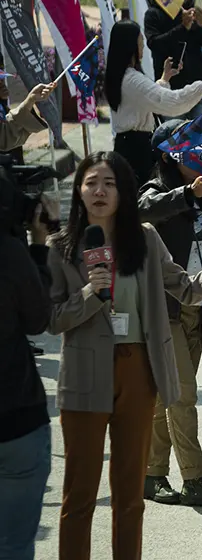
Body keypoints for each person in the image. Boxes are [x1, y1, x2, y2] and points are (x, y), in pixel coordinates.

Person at [48, 152, 202, 560]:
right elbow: (52, 319)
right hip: (84, 374)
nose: (99, 191)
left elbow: (190, 289)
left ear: (124, 193)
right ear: (79, 191)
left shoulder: (147, 238)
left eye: (110, 184)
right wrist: (89, 293)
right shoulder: (61, 247)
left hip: (137, 371)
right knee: (79, 495)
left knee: (130, 496)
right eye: (91, 183)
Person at [138, 119, 202, 508]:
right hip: (165, 309)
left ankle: (151, 472)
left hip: (196, 306)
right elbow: (139, 212)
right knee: (181, 396)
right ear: (170, 155)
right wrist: (185, 192)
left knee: (169, 396)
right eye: (192, 148)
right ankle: (196, 479)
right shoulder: (159, 192)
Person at [0, 159, 53, 560]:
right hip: (18, 416)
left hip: (19, 420)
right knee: (16, 546)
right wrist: (37, 245)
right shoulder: (11, 253)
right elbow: (38, 319)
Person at [105, 20, 202, 184]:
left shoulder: (121, 75)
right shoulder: (132, 79)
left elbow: (146, 98)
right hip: (136, 148)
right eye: (140, 42)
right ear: (131, 45)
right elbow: (173, 102)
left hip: (127, 144)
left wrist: (164, 78)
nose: (142, 47)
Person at [143, 0, 202, 117]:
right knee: (174, 137)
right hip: (171, 89)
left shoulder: (195, 9)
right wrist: (182, 27)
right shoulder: (154, 13)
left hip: (198, 86)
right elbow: (154, 44)